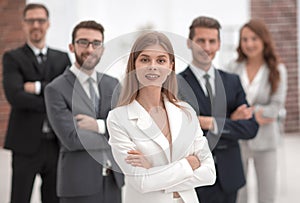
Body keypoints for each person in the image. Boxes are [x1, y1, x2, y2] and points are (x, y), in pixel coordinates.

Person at [106, 31, 216, 203]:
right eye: (144, 59)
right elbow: (141, 182)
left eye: (161, 60)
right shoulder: (118, 118)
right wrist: (189, 164)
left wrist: (154, 171)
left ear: (171, 66)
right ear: (134, 65)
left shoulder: (186, 112)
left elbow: (209, 173)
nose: (152, 66)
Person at [177, 16, 259, 203]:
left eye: (212, 41)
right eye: (201, 41)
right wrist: (231, 120)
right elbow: (181, 132)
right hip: (194, 177)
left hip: (230, 175)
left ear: (219, 44)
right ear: (190, 43)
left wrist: (208, 122)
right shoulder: (175, 84)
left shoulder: (232, 81)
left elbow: (251, 129)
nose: (206, 47)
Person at [44, 20, 124, 203]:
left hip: (113, 182)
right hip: (78, 185)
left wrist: (99, 126)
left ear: (102, 49)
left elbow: (127, 130)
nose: (90, 49)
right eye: (83, 42)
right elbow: (71, 139)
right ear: (72, 47)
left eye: (96, 43)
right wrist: (115, 132)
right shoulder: (56, 89)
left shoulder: (112, 84)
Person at [2, 3, 71, 203]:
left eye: (40, 20)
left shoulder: (61, 58)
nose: (36, 25)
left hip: (55, 144)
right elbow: (14, 96)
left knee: (54, 199)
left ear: (48, 24)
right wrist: (53, 99)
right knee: (19, 198)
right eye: (30, 20)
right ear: (23, 24)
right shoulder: (12, 58)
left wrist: (38, 88)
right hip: (24, 144)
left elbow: (68, 94)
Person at [225, 19, 287, 203]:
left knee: (267, 195)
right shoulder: (232, 68)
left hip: (266, 142)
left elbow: (275, 108)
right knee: (239, 194)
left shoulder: (277, 70)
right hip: (238, 142)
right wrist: (254, 114)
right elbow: (227, 105)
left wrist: (245, 113)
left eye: (254, 38)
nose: (249, 44)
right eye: (244, 39)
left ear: (264, 40)